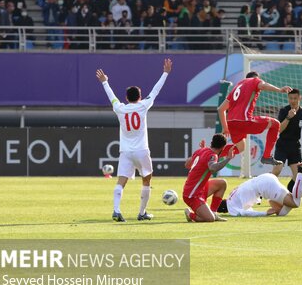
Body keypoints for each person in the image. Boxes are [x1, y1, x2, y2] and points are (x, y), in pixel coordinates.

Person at [95, 58, 172, 222]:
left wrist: (105, 82)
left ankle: (116, 210)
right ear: (140, 96)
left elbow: (112, 97)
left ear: (126, 97)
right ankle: (142, 213)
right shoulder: (143, 105)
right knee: (147, 179)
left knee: (121, 180)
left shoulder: (120, 108)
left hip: (126, 151)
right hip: (142, 150)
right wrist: (165, 72)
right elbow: (156, 90)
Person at [217, 71, 292, 166]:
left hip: (231, 123)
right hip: (245, 121)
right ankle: (267, 156)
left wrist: (225, 127)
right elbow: (263, 85)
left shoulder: (237, 86)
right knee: (276, 124)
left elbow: (221, 109)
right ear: (256, 77)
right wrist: (280, 90)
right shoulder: (254, 80)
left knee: (241, 148)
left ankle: (214, 153)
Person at [271, 88, 302, 198]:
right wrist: (288, 117)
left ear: (299, 98)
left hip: (295, 146)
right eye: (290, 98)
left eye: (295, 98)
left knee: (297, 175)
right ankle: (260, 189)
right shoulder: (284, 111)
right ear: (288, 99)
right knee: (277, 170)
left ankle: (292, 189)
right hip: (282, 145)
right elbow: (279, 130)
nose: (292, 101)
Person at [217, 164, 302, 217]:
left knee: (295, 203)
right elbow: (247, 209)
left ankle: (301, 175)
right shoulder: (232, 195)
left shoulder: (231, 208)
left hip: (265, 186)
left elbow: (244, 213)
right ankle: (301, 189)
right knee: (280, 213)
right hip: (265, 178)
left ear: (224, 210)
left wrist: (265, 213)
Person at [183, 135, 236, 223]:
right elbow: (213, 168)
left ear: (212, 142)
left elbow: (187, 164)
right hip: (192, 195)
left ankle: (214, 212)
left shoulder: (201, 150)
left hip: (197, 188)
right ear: (223, 147)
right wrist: (228, 158)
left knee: (222, 183)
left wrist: (200, 153)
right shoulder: (213, 155)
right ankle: (190, 214)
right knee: (209, 219)